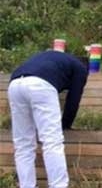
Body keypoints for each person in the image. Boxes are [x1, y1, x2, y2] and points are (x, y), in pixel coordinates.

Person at [8, 51, 89, 188]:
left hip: (15, 84)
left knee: (23, 144)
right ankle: (59, 185)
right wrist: (65, 125)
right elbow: (73, 101)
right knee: (52, 141)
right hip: (41, 85)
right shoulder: (80, 69)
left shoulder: (55, 58)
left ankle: (27, 185)